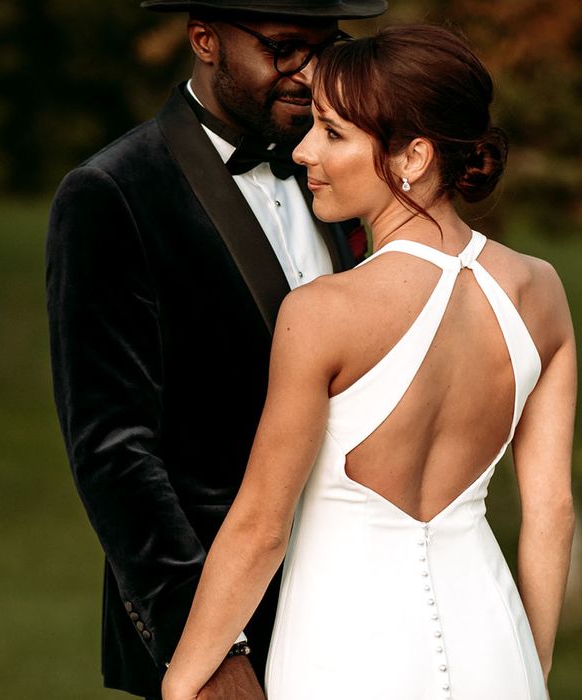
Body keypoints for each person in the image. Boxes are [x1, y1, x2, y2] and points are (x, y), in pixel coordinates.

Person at [161, 24, 576, 700]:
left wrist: (182, 682)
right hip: (498, 648)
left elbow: (262, 526)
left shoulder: (325, 311)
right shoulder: (540, 290)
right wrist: (530, 667)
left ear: (412, 156)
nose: (303, 152)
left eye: (332, 132)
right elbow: (552, 510)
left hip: (344, 652)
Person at [46, 1, 387, 699]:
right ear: (205, 39)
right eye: (287, 48)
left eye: (329, 48)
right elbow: (113, 448)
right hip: (224, 626)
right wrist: (207, 648)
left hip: (363, 612)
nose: (313, 74)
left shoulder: (341, 173)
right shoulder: (112, 194)